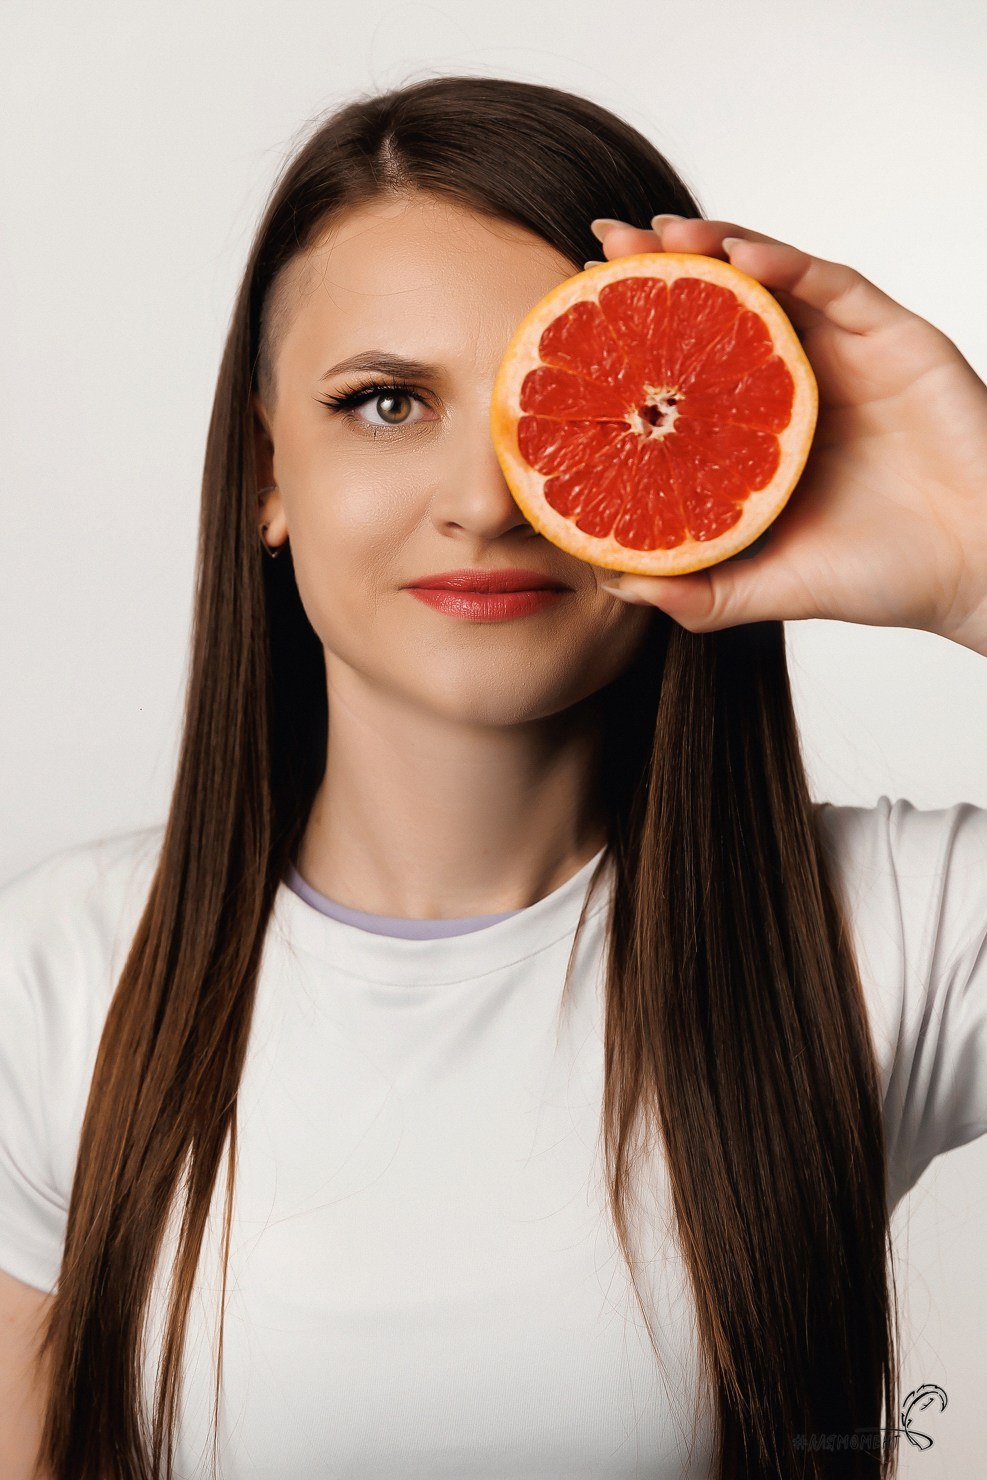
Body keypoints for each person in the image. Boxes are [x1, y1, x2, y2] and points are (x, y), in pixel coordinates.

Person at [1, 73, 985, 1480]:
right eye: (389, 402)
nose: (489, 495)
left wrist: (978, 544)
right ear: (267, 471)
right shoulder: (53, 983)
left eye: (581, 407)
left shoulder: (890, 935)